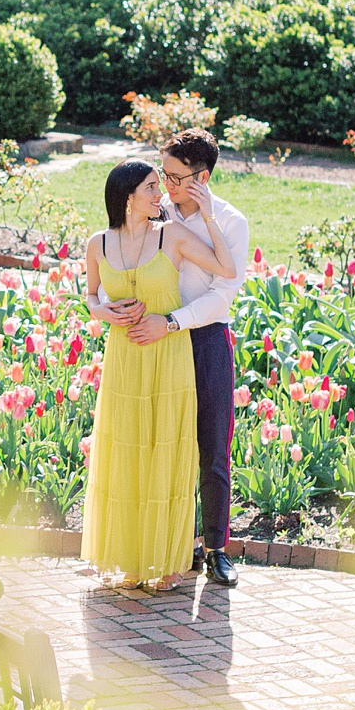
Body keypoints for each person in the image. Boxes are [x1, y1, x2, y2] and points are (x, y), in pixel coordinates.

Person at [81, 158, 237, 592]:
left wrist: (208, 215)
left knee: (167, 453)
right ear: (127, 197)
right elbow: (90, 295)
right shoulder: (98, 243)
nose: (160, 195)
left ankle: (168, 562)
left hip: (167, 355)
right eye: (151, 187)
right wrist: (100, 311)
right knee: (126, 453)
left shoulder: (173, 235)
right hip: (124, 358)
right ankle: (131, 560)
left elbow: (227, 269)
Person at [123, 128, 250, 586]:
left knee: (213, 447)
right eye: (164, 176)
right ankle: (175, 545)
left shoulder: (232, 222)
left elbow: (223, 295)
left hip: (207, 340)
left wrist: (173, 321)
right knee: (165, 445)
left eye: (176, 178)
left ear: (203, 176)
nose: (168, 187)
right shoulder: (156, 214)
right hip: (158, 343)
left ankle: (215, 548)